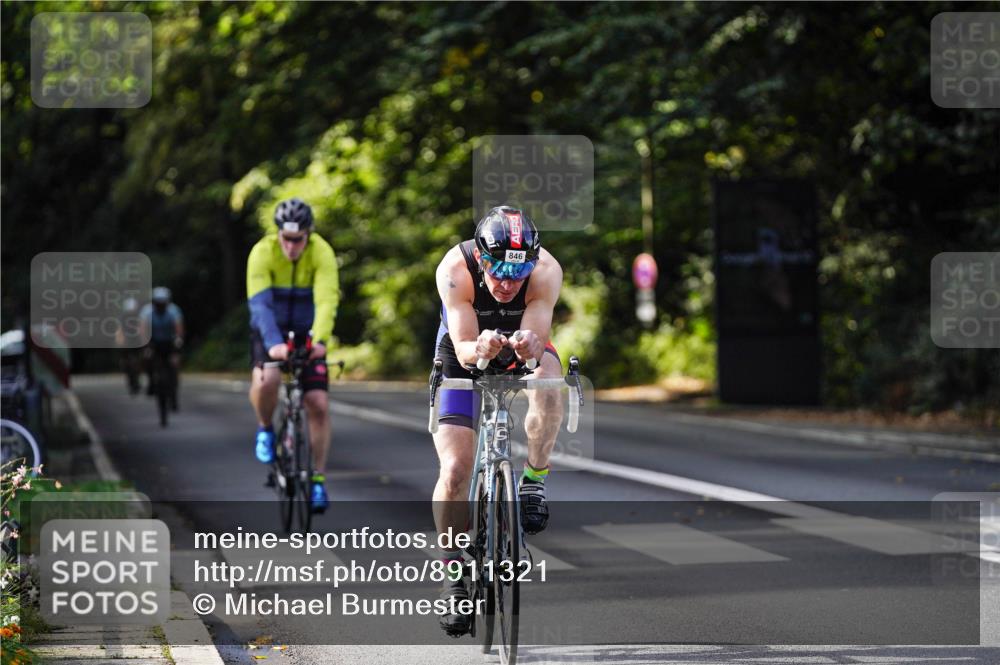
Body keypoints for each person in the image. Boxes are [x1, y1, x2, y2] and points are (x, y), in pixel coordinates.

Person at [431, 205, 564, 635]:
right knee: (455, 468)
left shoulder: (545, 270)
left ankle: (533, 482)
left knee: (549, 378)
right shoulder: (456, 267)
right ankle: (454, 576)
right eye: (499, 273)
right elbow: (465, 346)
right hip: (464, 348)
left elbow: (537, 336)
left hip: (518, 341)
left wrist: (528, 344)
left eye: (517, 274)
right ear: (482, 259)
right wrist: (482, 348)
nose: (508, 284)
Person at [247, 197, 339, 513]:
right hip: (270, 330)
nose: (291, 247)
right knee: (268, 377)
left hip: (307, 332)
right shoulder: (261, 252)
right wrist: (273, 343)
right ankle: (265, 427)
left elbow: (327, 299)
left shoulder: (321, 252)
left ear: (308, 235)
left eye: (297, 239)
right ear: (278, 235)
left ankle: (317, 480)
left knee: (318, 403)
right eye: (286, 239)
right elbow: (259, 305)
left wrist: (321, 340)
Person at [139, 287, 184, 409]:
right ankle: (151, 381)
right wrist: (145, 344)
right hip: (154, 342)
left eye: (163, 303)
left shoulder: (174, 311)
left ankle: (174, 391)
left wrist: (178, 340)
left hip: (170, 342)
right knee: (147, 357)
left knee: (174, 363)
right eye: (158, 303)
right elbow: (143, 330)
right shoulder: (147, 312)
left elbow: (178, 328)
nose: (160, 306)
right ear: (154, 302)